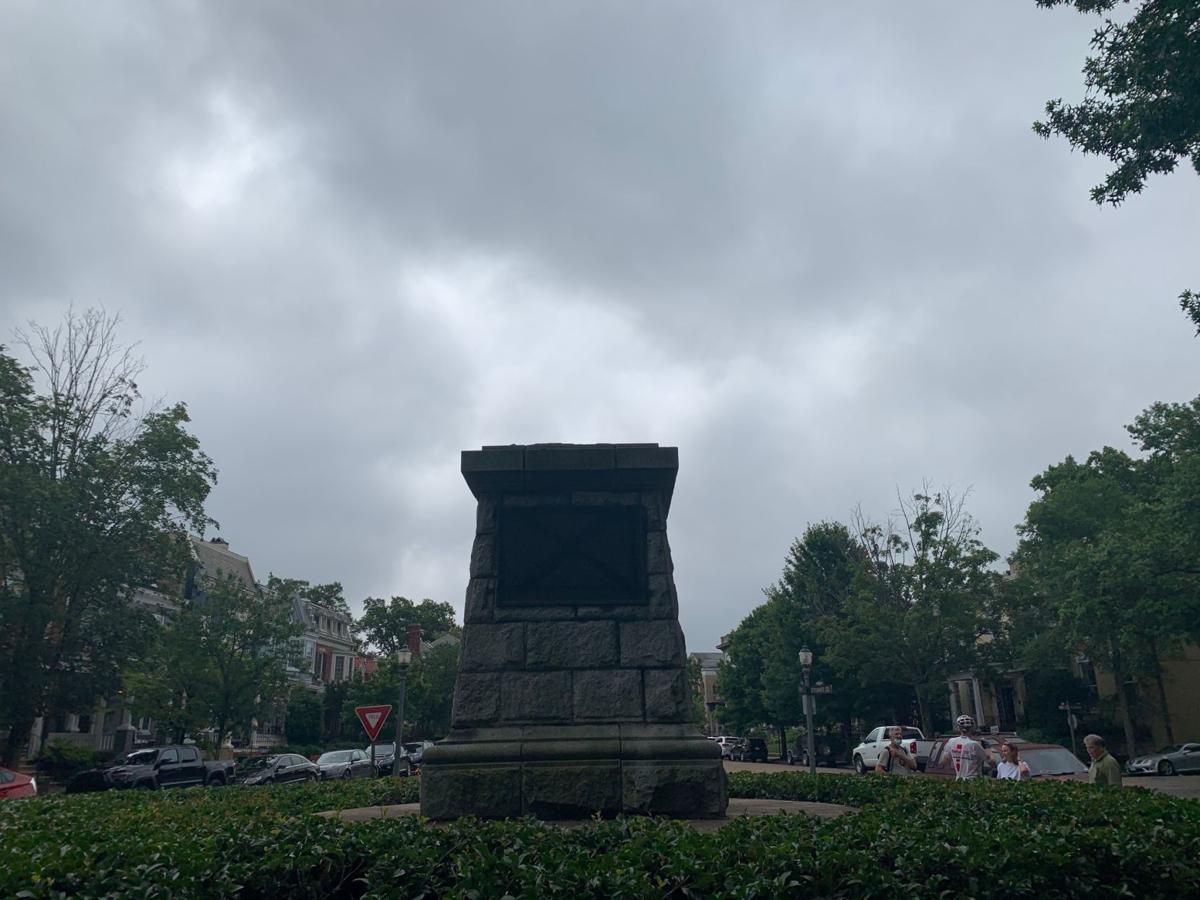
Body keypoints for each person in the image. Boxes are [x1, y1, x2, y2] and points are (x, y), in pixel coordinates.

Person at [947, 714, 993, 781]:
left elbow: (945, 760)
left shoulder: (951, 741)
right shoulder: (974, 744)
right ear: (972, 728)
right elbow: (991, 763)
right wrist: (987, 748)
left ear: (959, 728)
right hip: (973, 781)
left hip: (959, 780)